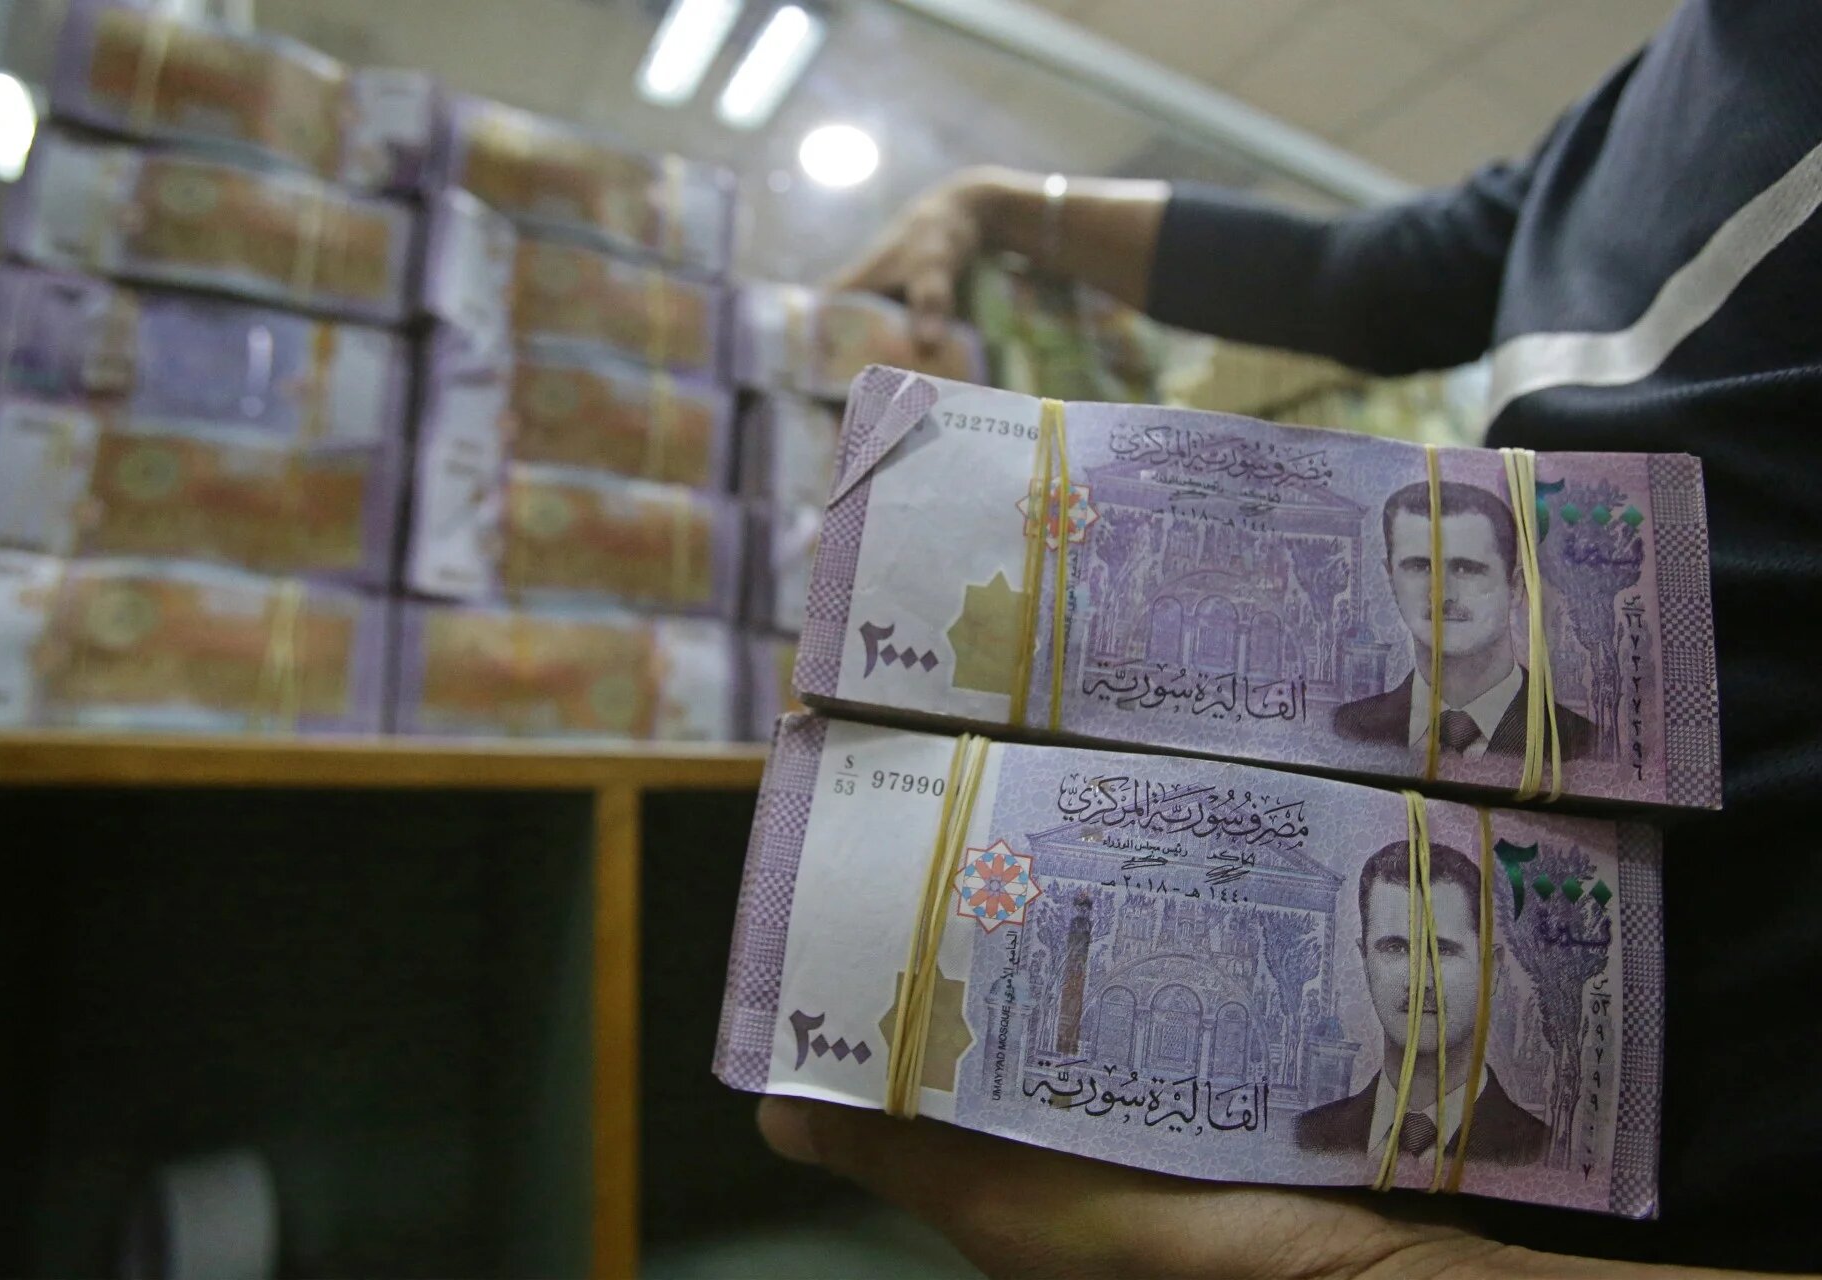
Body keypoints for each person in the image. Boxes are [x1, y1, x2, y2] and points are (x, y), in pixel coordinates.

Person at [768, 2, 1822, 1274]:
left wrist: (1385, 1275)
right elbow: (1368, 277)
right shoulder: (1648, 92)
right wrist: (1001, 206)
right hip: (1478, 1164)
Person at [1292, 839, 1548, 1164]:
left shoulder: (1542, 1151)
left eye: (1443, 950)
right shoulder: (1308, 1137)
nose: (1421, 982)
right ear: (1365, 961)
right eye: (1396, 949)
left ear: (1491, 970)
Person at [1331, 481, 1598, 759]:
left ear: (1516, 587)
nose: (1442, 594)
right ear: (1391, 581)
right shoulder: (1348, 730)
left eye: (1466, 568)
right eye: (1420, 566)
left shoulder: (1582, 744)